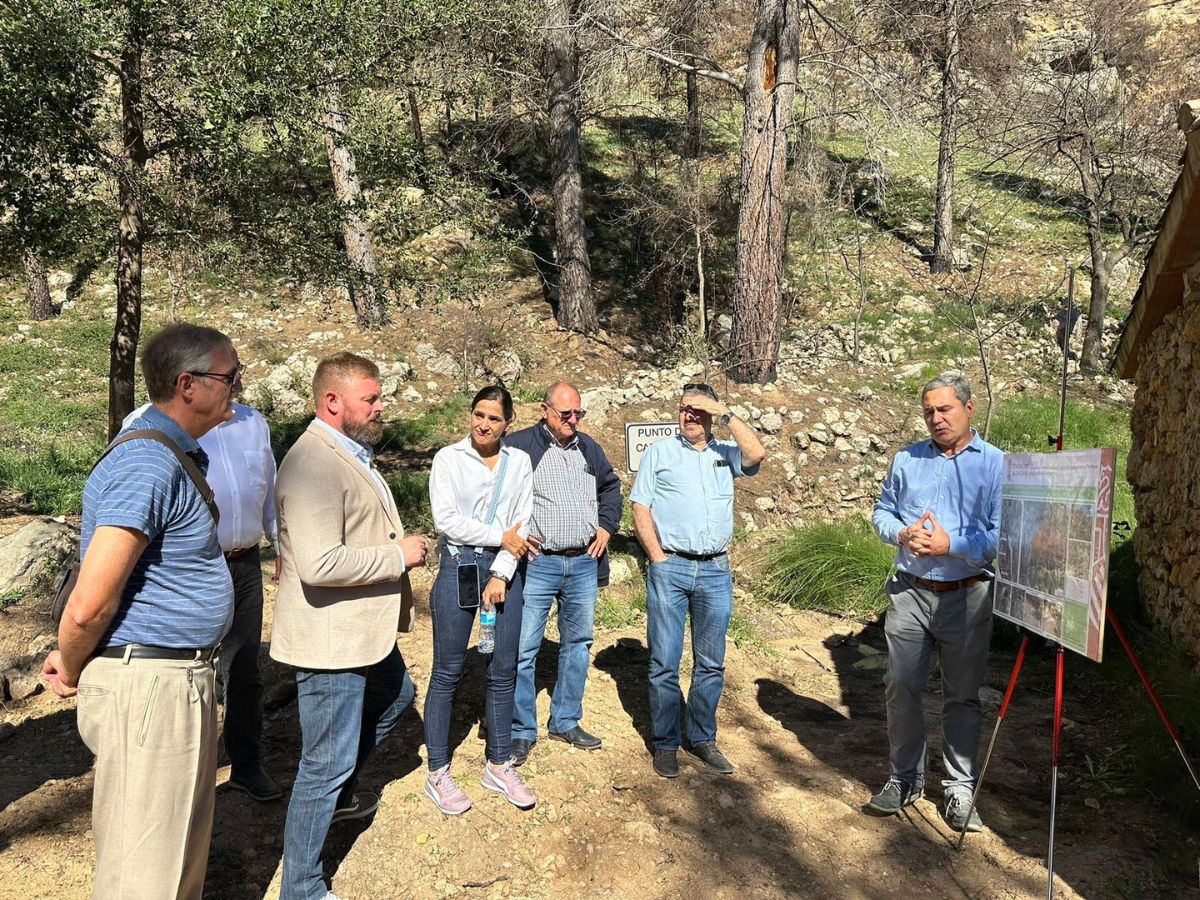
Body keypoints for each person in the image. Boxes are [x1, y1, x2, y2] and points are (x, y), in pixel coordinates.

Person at [42, 323, 239, 900]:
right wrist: (72, 663)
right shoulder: (148, 464)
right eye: (229, 378)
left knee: (175, 862)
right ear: (189, 385)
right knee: (143, 876)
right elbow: (90, 604)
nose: (236, 388)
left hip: (174, 679)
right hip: (152, 686)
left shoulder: (172, 456)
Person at [271, 352, 429, 900]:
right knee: (322, 765)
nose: (382, 407)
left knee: (395, 696)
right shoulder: (313, 461)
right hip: (332, 641)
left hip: (362, 634)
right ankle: (303, 887)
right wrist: (399, 556)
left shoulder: (346, 452)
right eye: (372, 398)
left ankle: (336, 796)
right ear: (332, 401)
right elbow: (319, 565)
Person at [122, 396, 283, 801]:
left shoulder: (253, 421)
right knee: (184, 671)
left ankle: (245, 764)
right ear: (189, 379)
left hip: (245, 564)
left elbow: (269, 490)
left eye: (235, 370)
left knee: (244, 668)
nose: (235, 378)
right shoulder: (146, 422)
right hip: (185, 569)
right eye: (225, 371)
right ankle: (179, 777)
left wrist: (282, 545)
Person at [868, 372, 1003, 834]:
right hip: (909, 591)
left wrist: (953, 544)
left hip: (967, 595)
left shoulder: (997, 465)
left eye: (944, 409)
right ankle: (904, 779)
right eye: (929, 411)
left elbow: (1004, 536)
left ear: (969, 408)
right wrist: (900, 532)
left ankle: (959, 790)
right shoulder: (907, 458)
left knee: (962, 697)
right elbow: (881, 511)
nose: (936, 418)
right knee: (901, 685)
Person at [630, 383, 766, 779]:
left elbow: (757, 453)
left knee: (710, 663)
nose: (688, 416)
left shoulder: (725, 454)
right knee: (664, 662)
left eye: (696, 410)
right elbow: (640, 505)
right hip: (671, 568)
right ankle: (666, 742)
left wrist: (723, 412)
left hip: (715, 571)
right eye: (683, 409)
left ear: (710, 414)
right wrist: (656, 557)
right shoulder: (660, 453)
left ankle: (702, 737)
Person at [424, 385, 537, 814]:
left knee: (502, 667)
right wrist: (499, 539)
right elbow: (447, 520)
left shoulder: (519, 462)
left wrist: (502, 572)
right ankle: (437, 769)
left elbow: (522, 520)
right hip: (459, 568)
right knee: (448, 670)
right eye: (478, 414)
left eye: (493, 417)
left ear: (508, 422)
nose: (483, 424)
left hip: (506, 571)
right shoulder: (449, 459)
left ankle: (499, 762)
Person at [506, 382, 623, 765]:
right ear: (545, 410)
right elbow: (499, 494)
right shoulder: (522, 446)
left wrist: (606, 526)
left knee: (578, 644)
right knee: (525, 648)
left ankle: (566, 720)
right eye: (564, 414)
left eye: (578, 414)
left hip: (583, 563)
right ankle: (522, 730)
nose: (572, 421)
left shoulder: (588, 448)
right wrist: (515, 537)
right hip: (539, 564)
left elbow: (611, 488)